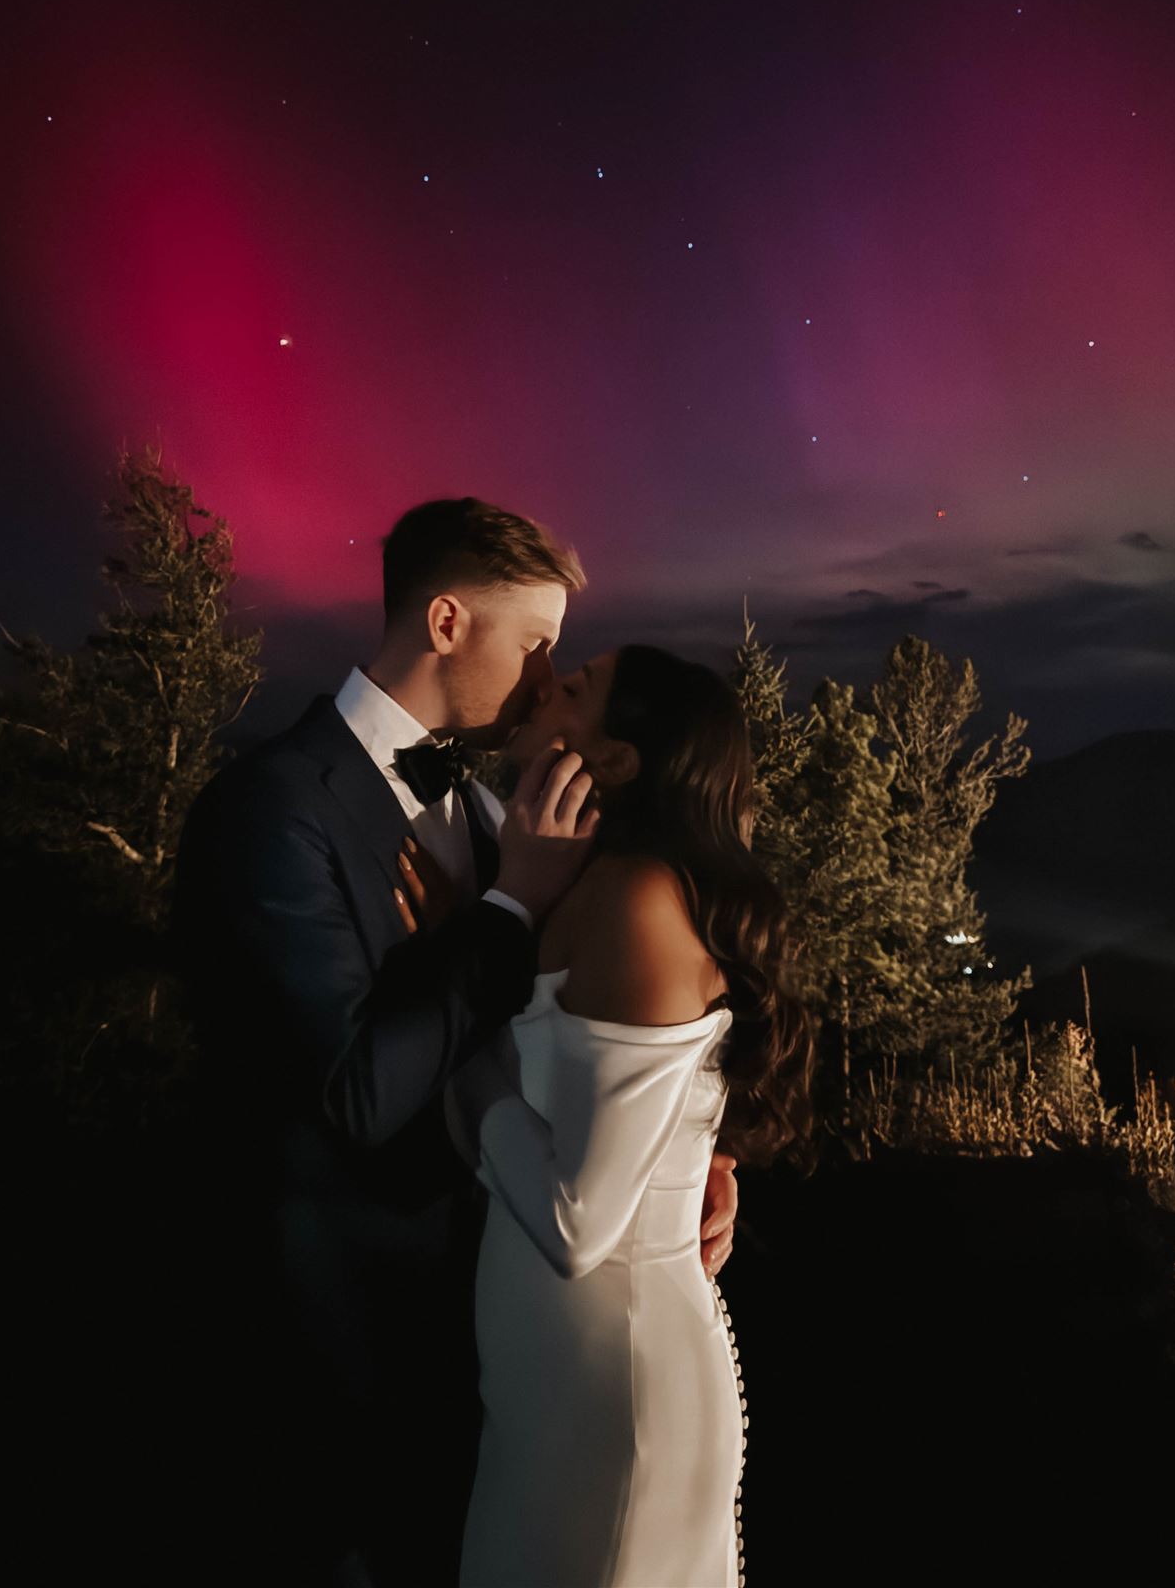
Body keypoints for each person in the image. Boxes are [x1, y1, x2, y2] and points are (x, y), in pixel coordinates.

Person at [169, 498, 743, 1586]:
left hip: (506, 1365)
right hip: (346, 1368)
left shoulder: (491, 816)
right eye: (534, 645)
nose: (543, 681)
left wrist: (687, 1154)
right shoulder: (269, 808)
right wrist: (507, 912)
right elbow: (350, 1089)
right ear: (444, 622)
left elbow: (616, 1017)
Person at [419, 643, 819, 1587]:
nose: (547, 673)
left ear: (619, 761)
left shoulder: (638, 898)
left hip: (614, 1396)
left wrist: (465, 1053)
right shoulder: (593, 883)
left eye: (575, 687)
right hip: (553, 1385)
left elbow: (579, 1221)